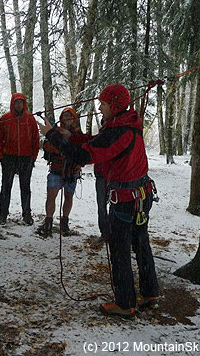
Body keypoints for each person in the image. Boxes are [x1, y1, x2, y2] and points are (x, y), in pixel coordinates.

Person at [37, 84, 159, 318]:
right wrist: (70, 136)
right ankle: (149, 291)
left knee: (120, 249)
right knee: (140, 243)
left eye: (103, 104)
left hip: (127, 199)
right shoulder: (125, 122)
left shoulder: (119, 130)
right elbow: (97, 141)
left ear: (114, 105)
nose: (100, 108)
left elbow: (85, 155)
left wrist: (52, 135)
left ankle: (125, 303)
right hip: (140, 196)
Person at [36, 107, 90, 237]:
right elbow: (47, 148)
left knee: (69, 196)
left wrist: (78, 163)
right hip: (56, 168)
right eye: (65, 116)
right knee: (51, 195)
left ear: (74, 119)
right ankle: (48, 222)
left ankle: (64, 223)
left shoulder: (78, 134)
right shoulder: (55, 131)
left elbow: (83, 151)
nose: (67, 118)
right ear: (61, 118)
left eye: (70, 116)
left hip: (72, 171)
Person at [0, 93, 39, 225]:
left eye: (21, 102)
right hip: (9, 157)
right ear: (12, 103)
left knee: (25, 187)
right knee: (6, 186)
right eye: (16, 102)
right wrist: (1, 155)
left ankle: (26, 214)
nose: (19, 104)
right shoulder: (5, 118)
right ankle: (3, 214)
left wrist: (33, 156)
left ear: (24, 103)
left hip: (26, 157)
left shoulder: (30, 118)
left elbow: (35, 139)